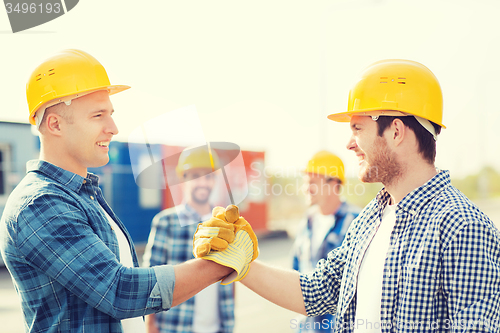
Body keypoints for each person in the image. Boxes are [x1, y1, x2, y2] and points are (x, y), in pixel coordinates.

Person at [195, 59, 500, 332]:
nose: (349, 144)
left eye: (357, 128)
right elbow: (316, 292)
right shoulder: (370, 220)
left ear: (395, 132)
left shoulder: (464, 228)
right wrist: (240, 262)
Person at [0, 49, 257, 333]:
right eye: (98, 115)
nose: (113, 128)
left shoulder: (83, 195)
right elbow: (119, 292)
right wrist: (221, 263)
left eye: (110, 114)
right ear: (55, 124)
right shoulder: (41, 204)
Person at [142, 146, 235, 333]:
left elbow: (232, 278)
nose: (203, 183)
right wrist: (150, 325)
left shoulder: (225, 224)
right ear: (182, 179)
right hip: (175, 327)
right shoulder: (165, 222)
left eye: (208, 176)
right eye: (196, 176)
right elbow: (150, 279)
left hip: (217, 328)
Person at [291, 150, 359, 332]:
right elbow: (295, 270)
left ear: (333, 184)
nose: (306, 188)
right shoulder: (307, 221)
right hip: (306, 327)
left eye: (312, 183)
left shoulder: (357, 222)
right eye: (306, 182)